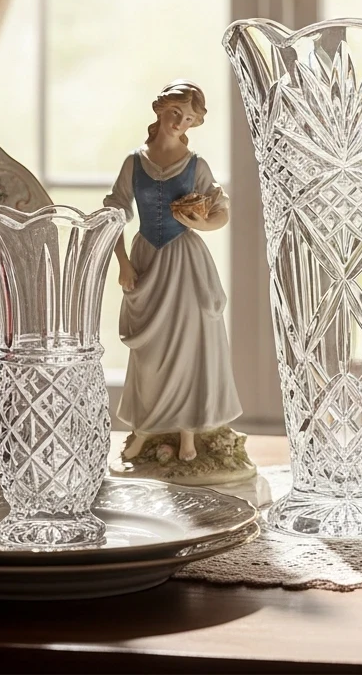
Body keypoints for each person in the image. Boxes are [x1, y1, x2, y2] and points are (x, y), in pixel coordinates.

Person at [103, 81, 242, 462]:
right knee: (151, 353)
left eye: (188, 118)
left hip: (186, 262)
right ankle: (145, 430)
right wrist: (123, 263)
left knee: (189, 345)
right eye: (175, 113)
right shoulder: (135, 163)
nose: (179, 123)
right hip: (147, 258)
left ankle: (188, 434)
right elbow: (114, 214)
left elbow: (221, 210)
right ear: (160, 111)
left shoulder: (196, 165)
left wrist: (200, 223)